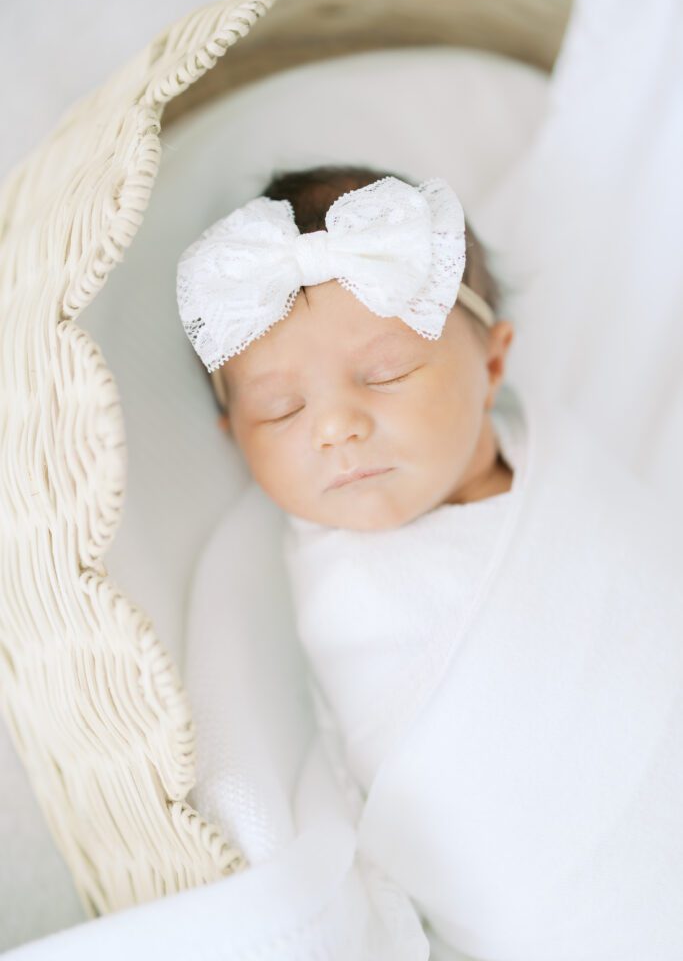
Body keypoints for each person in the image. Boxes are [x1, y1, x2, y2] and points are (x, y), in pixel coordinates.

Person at [176, 164, 683, 960]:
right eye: (280, 408)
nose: (335, 425)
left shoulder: (562, 467)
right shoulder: (336, 587)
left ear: (490, 364)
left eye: (386, 374)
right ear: (233, 438)